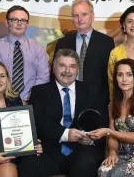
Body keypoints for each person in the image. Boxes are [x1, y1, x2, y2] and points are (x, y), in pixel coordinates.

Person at [18, 49, 105, 177]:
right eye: (62, 65)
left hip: (81, 150)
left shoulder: (91, 91)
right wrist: (65, 134)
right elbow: (38, 122)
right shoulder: (39, 91)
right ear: (53, 68)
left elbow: (101, 121)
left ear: (77, 70)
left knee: (87, 163)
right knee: (28, 165)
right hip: (49, 151)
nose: (67, 71)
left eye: (72, 66)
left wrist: (91, 139)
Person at [53, 0, 115, 127]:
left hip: (97, 107)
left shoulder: (107, 42)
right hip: (67, 105)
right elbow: (54, 74)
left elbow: (109, 76)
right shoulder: (62, 42)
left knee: (92, 146)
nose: (80, 19)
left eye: (84, 14)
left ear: (92, 16)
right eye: (76, 15)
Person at [0, 5, 50, 105]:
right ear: (7, 22)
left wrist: (30, 97)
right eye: (14, 20)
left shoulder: (38, 48)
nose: (19, 24)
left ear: (27, 24)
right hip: (2, 103)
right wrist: (8, 100)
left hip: (32, 103)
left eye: (23, 20)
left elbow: (43, 77)